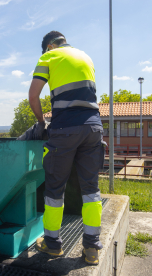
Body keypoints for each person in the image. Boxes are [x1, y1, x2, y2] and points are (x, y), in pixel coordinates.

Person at [28, 31, 105, 265]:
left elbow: (33, 95)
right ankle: (91, 248)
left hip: (64, 129)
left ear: (49, 46)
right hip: (93, 128)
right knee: (90, 189)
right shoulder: (86, 57)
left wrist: (42, 123)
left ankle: (52, 244)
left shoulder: (49, 57)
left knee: (54, 188)